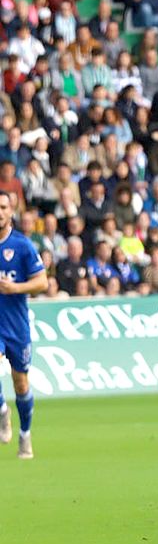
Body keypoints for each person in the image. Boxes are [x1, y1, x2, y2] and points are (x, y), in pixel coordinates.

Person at [0, 192, 49, 459]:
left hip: (16, 326)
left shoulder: (22, 245)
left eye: (3, 207)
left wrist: (15, 287)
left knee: (21, 384)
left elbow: (42, 282)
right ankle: (1, 411)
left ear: (11, 211)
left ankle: (25, 434)